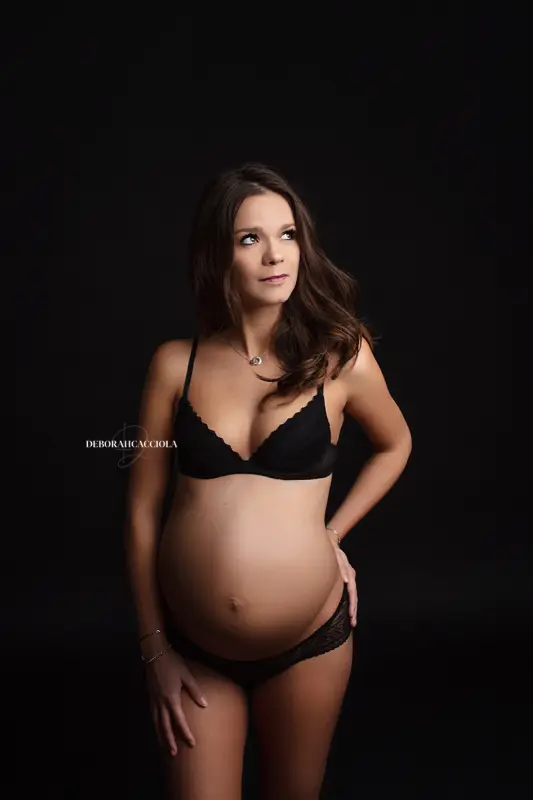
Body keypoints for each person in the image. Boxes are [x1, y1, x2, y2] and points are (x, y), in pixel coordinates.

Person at [124, 162, 412, 800]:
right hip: (193, 648)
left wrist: (329, 534)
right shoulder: (175, 364)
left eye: (287, 234)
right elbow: (143, 513)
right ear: (218, 253)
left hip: (310, 641)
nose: (275, 254)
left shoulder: (341, 354)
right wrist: (155, 651)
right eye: (250, 238)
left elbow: (397, 444)